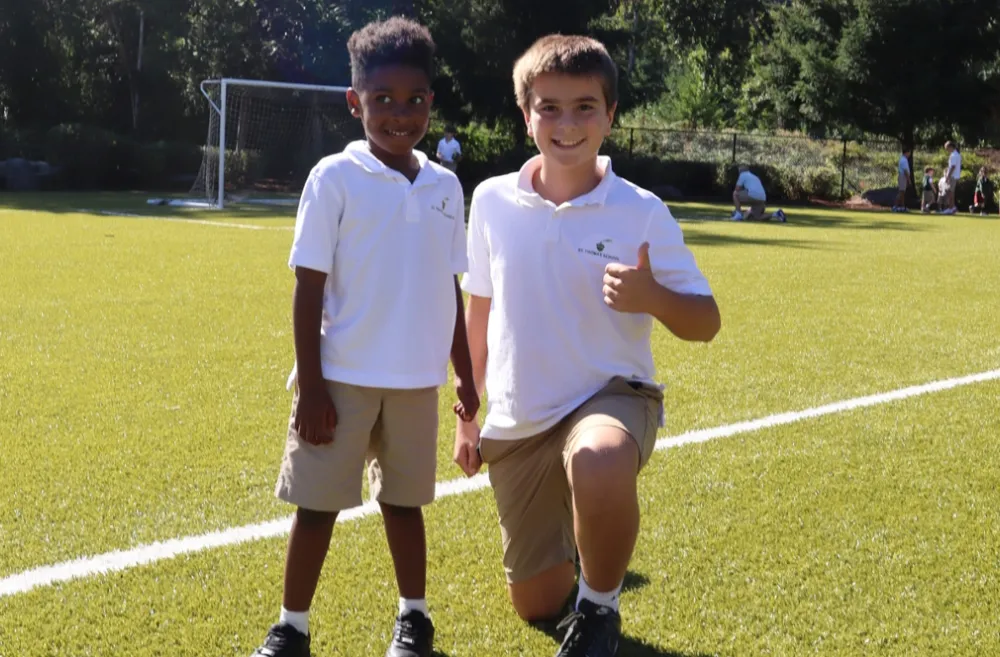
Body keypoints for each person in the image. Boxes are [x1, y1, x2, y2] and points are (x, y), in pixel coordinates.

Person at [453, 34, 721, 657]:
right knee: (537, 602)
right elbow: (480, 312)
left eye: (584, 107)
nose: (566, 123)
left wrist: (653, 296)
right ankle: (585, 546)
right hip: (521, 419)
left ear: (610, 117)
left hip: (612, 398)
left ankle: (599, 610)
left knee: (598, 460)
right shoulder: (492, 201)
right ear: (526, 116)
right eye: (549, 107)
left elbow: (705, 321)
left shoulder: (641, 211)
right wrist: (468, 414)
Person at [251, 17, 479, 657]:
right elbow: (308, 288)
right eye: (382, 100)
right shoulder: (333, 179)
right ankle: (290, 629)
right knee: (316, 508)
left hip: (416, 384)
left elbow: (450, 289)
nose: (398, 115)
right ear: (356, 102)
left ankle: (415, 621)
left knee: (404, 506)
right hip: (341, 379)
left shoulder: (444, 186)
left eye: (413, 101)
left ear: (430, 104)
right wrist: (314, 386)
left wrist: (465, 375)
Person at [942, 140, 962, 214]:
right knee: (951, 192)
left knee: (950, 192)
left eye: (947, 148)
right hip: (955, 175)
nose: (947, 150)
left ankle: (951, 207)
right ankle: (952, 207)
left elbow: (952, 166)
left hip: (952, 176)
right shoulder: (957, 154)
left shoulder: (953, 155)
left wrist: (948, 176)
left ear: (950, 147)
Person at [892, 147, 912, 212]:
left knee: (903, 192)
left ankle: (902, 207)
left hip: (903, 176)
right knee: (901, 192)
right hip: (903, 176)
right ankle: (895, 206)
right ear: (907, 152)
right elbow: (905, 171)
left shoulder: (903, 159)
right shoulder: (904, 160)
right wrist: (909, 180)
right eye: (909, 153)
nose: (910, 154)